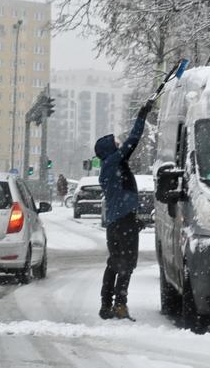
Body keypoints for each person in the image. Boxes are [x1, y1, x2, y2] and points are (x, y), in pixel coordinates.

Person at [94, 99, 154, 320]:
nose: (120, 145)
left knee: (115, 264)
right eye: (115, 143)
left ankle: (107, 305)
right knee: (126, 265)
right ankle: (119, 305)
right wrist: (142, 115)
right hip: (122, 222)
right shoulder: (113, 163)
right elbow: (133, 140)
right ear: (109, 150)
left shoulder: (110, 166)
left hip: (117, 222)